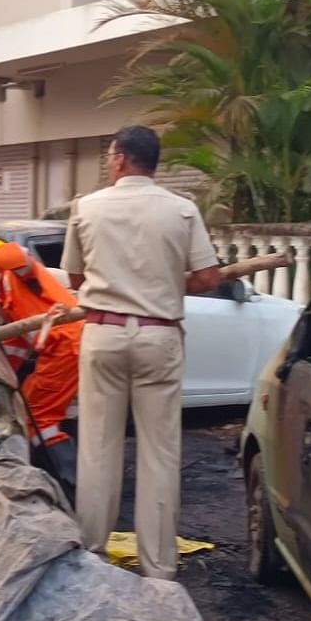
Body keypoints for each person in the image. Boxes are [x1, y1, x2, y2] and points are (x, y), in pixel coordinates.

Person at [61, 126, 221, 581]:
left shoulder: (86, 208)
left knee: (98, 449)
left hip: (104, 334)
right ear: (153, 162)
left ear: (120, 159)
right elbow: (208, 278)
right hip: (159, 336)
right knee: (160, 452)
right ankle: (159, 568)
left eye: (110, 155)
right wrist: (168, 284)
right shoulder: (182, 210)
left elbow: (76, 279)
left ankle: (91, 557)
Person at [0, 238, 82, 503]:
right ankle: (66, 480)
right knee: (39, 412)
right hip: (63, 351)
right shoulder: (9, 302)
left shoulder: (19, 274)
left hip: (65, 349)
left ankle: (70, 487)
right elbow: (14, 351)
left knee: (39, 418)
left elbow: (19, 253)